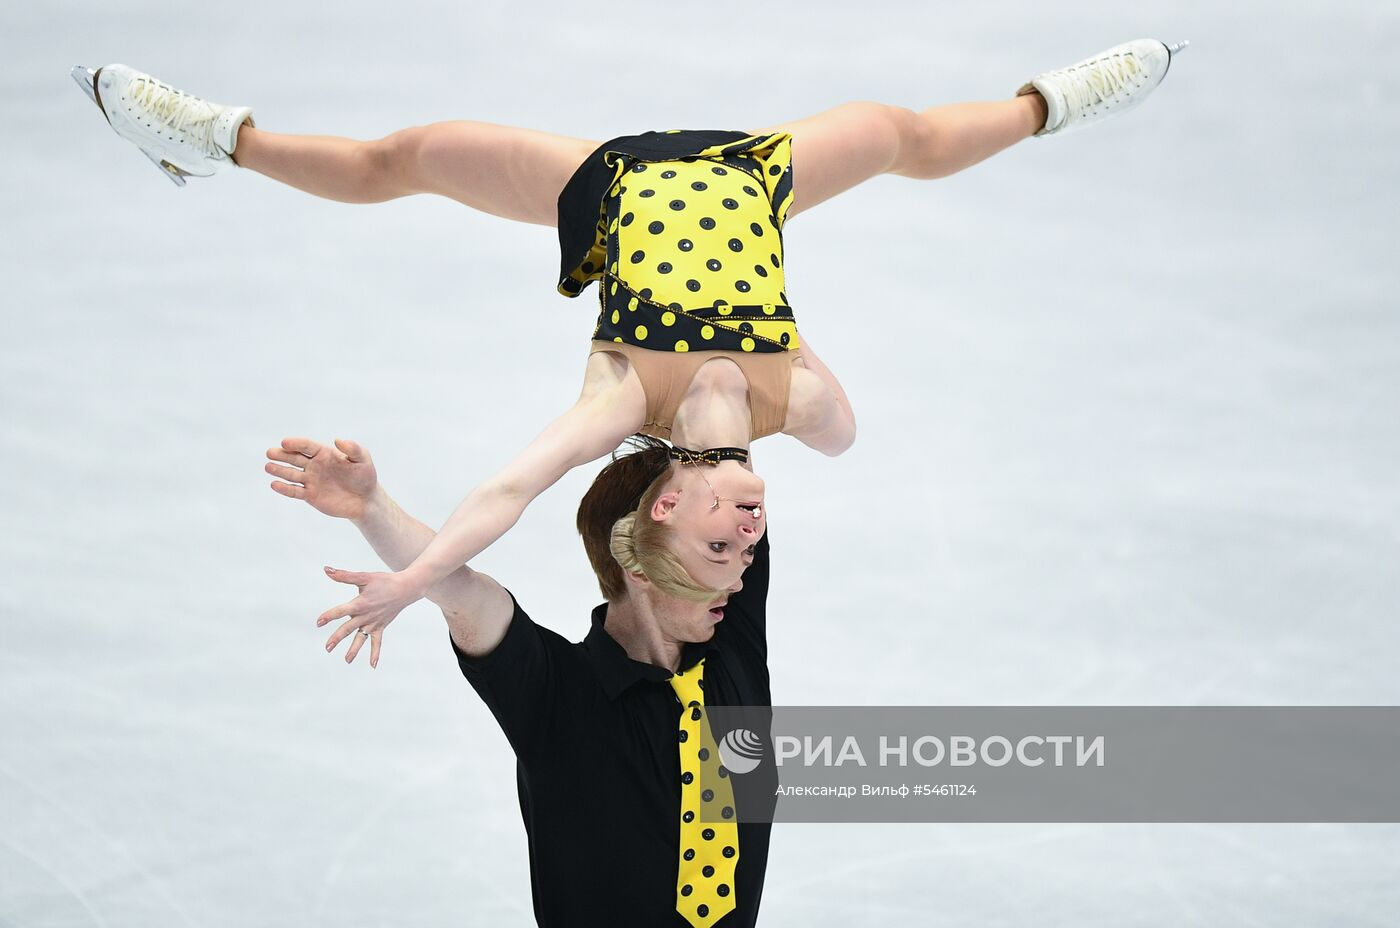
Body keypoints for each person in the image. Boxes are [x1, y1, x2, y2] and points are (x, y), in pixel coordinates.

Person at [79, 39, 1188, 661]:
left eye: (722, 540)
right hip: (752, 174)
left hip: (605, 185)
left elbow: (510, 488)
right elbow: (845, 435)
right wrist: (783, 385)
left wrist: (410, 581)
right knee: (905, 135)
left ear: (662, 508)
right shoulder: (792, 403)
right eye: (744, 542)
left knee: (396, 159)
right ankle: (1053, 104)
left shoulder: (621, 399)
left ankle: (217, 139)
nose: (746, 533)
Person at [265, 433, 779, 926]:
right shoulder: (557, 695)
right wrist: (371, 506)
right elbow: (462, 591)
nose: (736, 578)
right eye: (714, 550)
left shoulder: (733, 639)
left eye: (745, 554)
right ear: (640, 565)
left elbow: (728, 455)